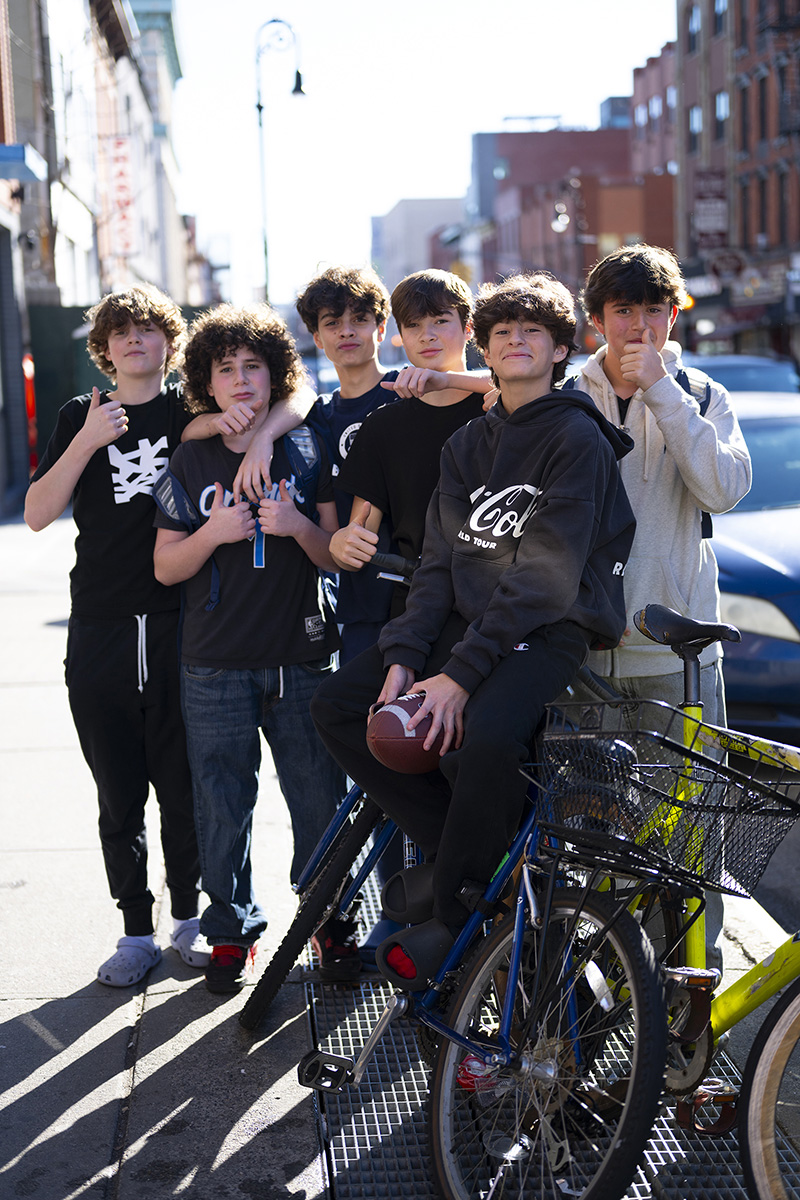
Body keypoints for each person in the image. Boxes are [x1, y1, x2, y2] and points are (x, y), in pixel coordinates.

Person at [311, 272, 636, 989]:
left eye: (532, 331)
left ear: (559, 349)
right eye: (502, 332)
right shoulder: (467, 445)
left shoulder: (577, 437)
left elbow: (546, 578)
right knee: (338, 706)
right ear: (484, 349)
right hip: (467, 619)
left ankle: (453, 913)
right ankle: (474, 858)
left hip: (548, 627)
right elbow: (436, 564)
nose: (515, 341)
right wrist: (404, 657)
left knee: (484, 737)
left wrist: (458, 677)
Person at [565, 244, 752, 971]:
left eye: (654, 310)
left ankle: (688, 988)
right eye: (623, 311)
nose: (639, 326)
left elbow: (725, 489)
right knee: (593, 836)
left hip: (680, 658)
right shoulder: (569, 395)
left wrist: (663, 395)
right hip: (587, 655)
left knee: (691, 835)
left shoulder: (701, 395)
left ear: (673, 316)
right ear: (597, 320)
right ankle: (607, 986)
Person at [152, 303, 347, 993]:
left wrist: (296, 526)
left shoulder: (305, 446)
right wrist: (213, 533)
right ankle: (231, 930)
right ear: (205, 382)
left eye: (253, 366)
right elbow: (165, 566)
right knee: (221, 803)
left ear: (275, 374)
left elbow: (335, 556)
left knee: (319, 797)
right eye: (225, 368)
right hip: (213, 664)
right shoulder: (191, 456)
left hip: (303, 656)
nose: (240, 380)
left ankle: (328, 921)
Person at [330, 268, 492, 622]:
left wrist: (448, 380)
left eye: (440, 321)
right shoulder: (382, 426)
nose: (427, 335)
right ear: (400, 335)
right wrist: (343, 545)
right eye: (413, 325)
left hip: (501, 603)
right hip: (419, 607)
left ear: (468, 328)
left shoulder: (499, 408)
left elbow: (532, 387)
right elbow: (360, 530)